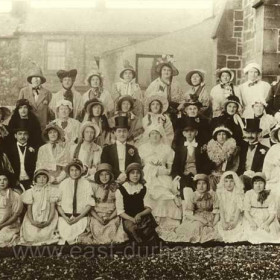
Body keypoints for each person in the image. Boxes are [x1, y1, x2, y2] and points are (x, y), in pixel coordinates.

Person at [138, 125, 181, 241]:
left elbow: (169, 169)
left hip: (162, 177)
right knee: (147, 197)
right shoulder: (142, 148)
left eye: (157, 134)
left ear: (161, 135)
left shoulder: (167, 149)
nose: (155, 136)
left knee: (164, 198)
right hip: (146, 177)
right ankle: (148, 227)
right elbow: (139, 167)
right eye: (152, 133)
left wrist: (159, 170)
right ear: (149, 135)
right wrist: (150, 169)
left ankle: (164, 226)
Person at [79, 163, 127, 244]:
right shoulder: (94, 187)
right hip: (97, 215)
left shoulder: (115, 188)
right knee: (96, 226)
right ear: (98, 176)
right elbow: (90, 206)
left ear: (111, 175)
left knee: (112, 226)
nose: (104, 177)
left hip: (112, 215)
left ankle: (109, 242)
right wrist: (98, 218)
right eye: (101, 175)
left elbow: (118, 207)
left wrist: (110, 217)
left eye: (107, 174)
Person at [115, 163, 159, 243]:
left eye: (137, 173)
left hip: (142, 217)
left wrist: (139, 215)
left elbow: (149, 208)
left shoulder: (143, 188)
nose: (135, 175)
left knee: (148, 234)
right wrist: (132, 219)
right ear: (128, 174)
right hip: (128, 218)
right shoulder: (121, 190)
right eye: (132, 173)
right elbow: (120, 212)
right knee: (133, 231)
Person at [57, 159, 95, 244]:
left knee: (77, 234)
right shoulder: (63, 184)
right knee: (64, 234)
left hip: (80, 216)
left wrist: (78, 218)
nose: (74, 173)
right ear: (69, 171)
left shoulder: (86, 183)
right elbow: (58, 204)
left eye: (77, 170)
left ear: (81, 171)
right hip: (65, 217)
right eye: (72, 170)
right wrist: (65, 217)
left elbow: (90, 204)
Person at [172, 118, 210, 198]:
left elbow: (206, 164)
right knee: (184, 188)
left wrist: (200, 175)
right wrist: (177, 176)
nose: (189, 134)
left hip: (198, 174)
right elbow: (176, 165)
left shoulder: (201, 147)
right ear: (183, 133)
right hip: (184, 175)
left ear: (196, 133)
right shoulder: (179, 148)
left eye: (192, 131)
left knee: (199, 190)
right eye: (187, 131)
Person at [175, 174, 219, 243]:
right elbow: (189, 214)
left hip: (210, 217)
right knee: (195, 227)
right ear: (196, 185)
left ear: (207, 185)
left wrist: (214, 224)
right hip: (197, 217)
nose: (201, 186)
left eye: (204, 183)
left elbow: (217, 211)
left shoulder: (212, 194)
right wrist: (202, 220)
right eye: (199, 183)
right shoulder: (193, 195)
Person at [20, 169, 59, 245]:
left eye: (44, 177)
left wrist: (48, 221)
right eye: (39, 177)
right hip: (33, 216)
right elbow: (29, 209)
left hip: (48, 216)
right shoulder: (31, 191)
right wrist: (32, 221)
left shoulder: (51, 191)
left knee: (46, 234)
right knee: (32, 235)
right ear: (35, 179)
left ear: (47, 179)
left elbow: (52, 208)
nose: (41, 179)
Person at [101, 116, 141, 183]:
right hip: (112, 179)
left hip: (129, 180)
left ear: (128, 133)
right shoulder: (107, 149)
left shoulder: (133, 149)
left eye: (124, 131)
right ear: (115, 133)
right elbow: (106, 166)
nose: (122, 134)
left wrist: (127, 175)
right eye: (119, 131)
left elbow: (137, 164)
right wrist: (119, 174)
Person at [243, 172, 280, 244]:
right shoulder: (249, 194)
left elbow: (272, 212)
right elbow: (246, 211)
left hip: (267, 218)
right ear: (253, 185)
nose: (258, 186)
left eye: (261, 183)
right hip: (252, 217)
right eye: (256, 183)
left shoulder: (270, 195)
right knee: (252, 233)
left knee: (271, 233)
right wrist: (252, 222)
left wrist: (267, 223)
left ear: (265, 184)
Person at [238, 119, 269, 191]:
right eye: (248, 133)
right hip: (242, 178)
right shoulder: (242, 148)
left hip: (257, 180)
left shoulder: (265, 149)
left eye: (253, 133)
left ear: (258, 134)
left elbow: (264, 168)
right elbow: (238, 166)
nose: (250, 136)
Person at [6, 119, 37, 192]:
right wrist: (13, 182)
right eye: (20, 134)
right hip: (14, 183)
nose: (22, 136)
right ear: (15, 136)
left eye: (25, 134)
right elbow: (7, 169)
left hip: (31, 182)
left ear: (28, 136)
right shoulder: (9, 150)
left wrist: (33, 181)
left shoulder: (34, 150)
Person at [18, 65, 53, 129]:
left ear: (41, 80)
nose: (36, 80)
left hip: (42, 126)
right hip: (27, 125)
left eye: (38, 77)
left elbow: (51, 112)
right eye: (34, 77)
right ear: (31, 80)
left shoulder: (47, 93)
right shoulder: (23, 91)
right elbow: (18, 110)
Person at [207, 125, 239, 191]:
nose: (221, 137)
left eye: (223, 134)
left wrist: (227, 175)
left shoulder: (233, 149)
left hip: (228, 175)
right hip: (214, 175)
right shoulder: (210, 148)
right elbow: (208, 165)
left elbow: (236, 165)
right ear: (216, 136)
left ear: (227, 136)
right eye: (219, 134)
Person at [216, 171, 245, 243]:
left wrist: (235, 222)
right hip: (225, 217)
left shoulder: (238, 193)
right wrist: (223, 221)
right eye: (226, 181)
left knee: (238, 231)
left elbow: (239, 209)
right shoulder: (221, 193)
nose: (229, 184)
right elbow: (221, 209)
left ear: (235, 182)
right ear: (223, 183)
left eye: (231, 181)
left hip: (236, 217)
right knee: (221, 230)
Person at [0, 172, 23, 247]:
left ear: (9, 181)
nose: (2, 182)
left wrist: (2, 224)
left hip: (9, 222)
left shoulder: (15, 195)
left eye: (5, 180)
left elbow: (15, 215)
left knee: (2, 236)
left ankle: (14, 236)